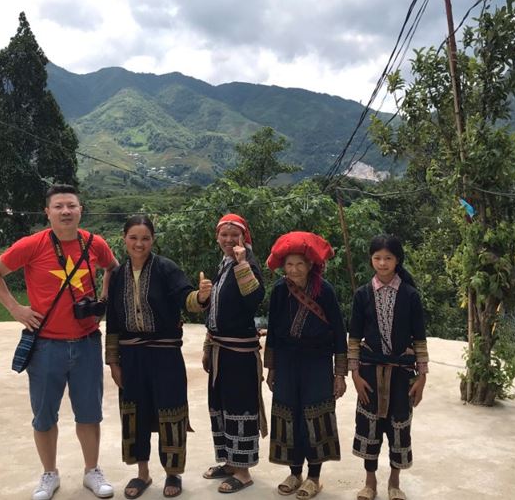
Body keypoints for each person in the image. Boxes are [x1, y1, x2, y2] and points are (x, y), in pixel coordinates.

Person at [0, 184, 119, 500]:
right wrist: (16, 309)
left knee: (89, 413)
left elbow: (112, 267)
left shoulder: (94, 243)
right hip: (45, 345)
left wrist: (104, 298)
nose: (66, 211)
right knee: (44, 415)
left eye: (71, 205)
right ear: (48, 212)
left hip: (86, 342)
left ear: (80, 210)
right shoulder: (33, 245)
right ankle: (49, 474)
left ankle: (91, 471)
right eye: (59, 206)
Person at [105, 215, 212, 499]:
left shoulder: (166, 268)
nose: (139, 244)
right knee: (134, 412)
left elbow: (186, 298)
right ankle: (142, 473)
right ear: (124, 238)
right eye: (133, 238)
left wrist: (201, 298)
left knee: (170, 410)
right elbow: (113, 320)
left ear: (153, 240)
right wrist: (113, 362)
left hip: (165, 355)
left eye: (145, 238)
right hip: (131, 356)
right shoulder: (116, 275)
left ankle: (172, 473)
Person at [264, 231, 347, 499]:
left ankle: (314, 475)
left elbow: (339, 331)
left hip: (317, 362)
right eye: (289, 264)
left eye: (300, 264)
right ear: (283, 266)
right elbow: (274, 331)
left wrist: (339, 374)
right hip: (287, 362)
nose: (294, 269)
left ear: (311, 264)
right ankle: (294, 471)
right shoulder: (279, 290)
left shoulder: (325, 290)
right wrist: (272, 367)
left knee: (315, 415)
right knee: (288, 413)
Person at [348, 235, 428, 500]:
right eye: (377, 258)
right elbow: (354, 338)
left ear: (397, 260)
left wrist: (422, 378)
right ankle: (370, 482)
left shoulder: (410, 295)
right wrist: (355, 375)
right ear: (371, 259)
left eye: (388, 258)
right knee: (369, 425)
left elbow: (419, 339)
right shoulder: (362, 295)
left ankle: (394, 481)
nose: (382, 263)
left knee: (398, 426)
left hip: (402, 375)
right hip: (370, 373)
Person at [200, 213, 266, 494]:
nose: (228, 239)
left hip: (238, 352)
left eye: (233, 234)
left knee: (240, 408)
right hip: (220, 350)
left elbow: (254, 299)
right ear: (217, 237)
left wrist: (241, 264)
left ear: (244, 237)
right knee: (222, 406)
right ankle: (229, 462)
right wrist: (207, 345)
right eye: (224, 235)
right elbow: (216, 309)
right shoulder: (224, 264)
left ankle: (243, 471)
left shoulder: (246, 262)